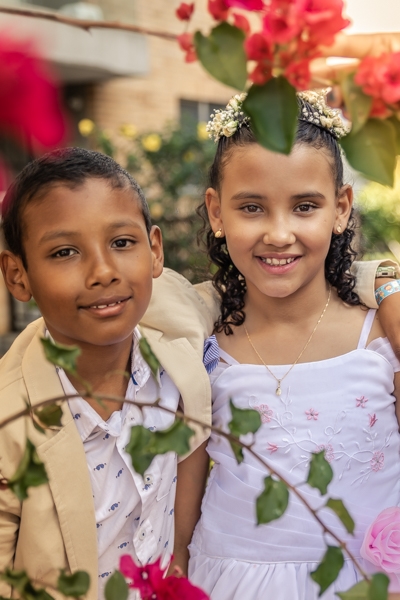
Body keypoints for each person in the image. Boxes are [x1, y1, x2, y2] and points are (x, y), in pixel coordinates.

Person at [172, 91, 400, 599]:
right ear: (216, 211)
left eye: (304, 207)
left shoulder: (383, 336)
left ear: (340, 208)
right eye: (252, 207)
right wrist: (177, 565)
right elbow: (186, 483)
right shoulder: (201, 346)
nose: (279, 233)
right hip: (230, 580)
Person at [0, 148, 210, 600]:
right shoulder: (8, 421)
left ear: (155, 250)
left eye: (121, 243)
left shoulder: (178, 356)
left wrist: (385, 285)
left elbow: (275, 284)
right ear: (18, 276)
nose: (103, 272)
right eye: (65, 251)